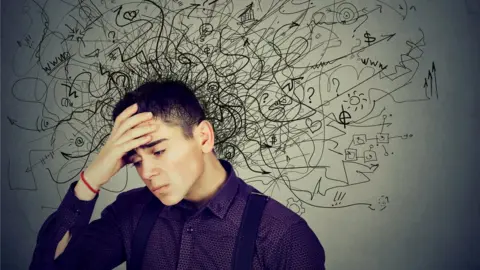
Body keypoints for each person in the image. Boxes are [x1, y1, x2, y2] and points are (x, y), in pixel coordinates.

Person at [29, 79, 326, 269]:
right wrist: (90, 179)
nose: (147, 172)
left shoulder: (283, 234)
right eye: (135, 161)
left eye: (158, 152)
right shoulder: (131, 213)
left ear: (204, 137)